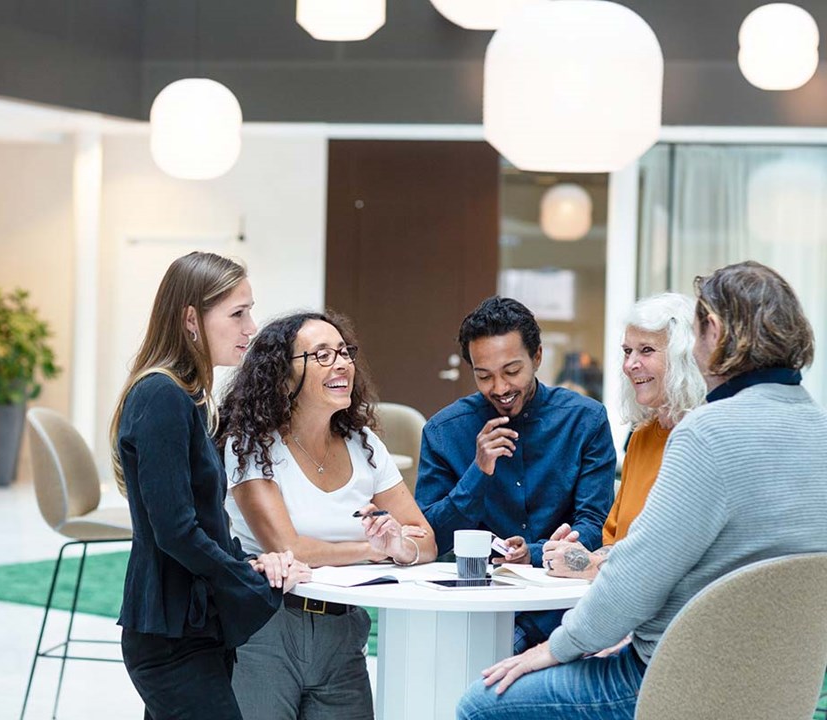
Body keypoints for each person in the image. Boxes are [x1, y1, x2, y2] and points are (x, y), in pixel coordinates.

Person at [457, 260, 827, 720]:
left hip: (677, 675)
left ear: (712, 334)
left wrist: (556, 648)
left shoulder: (707, 433)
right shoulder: (819, 428)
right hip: (783, 685)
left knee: (481, 702)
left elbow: (635, 581)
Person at [109, 252, 311, 720]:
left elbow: (205, 524)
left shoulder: (187, 398)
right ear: (191, 320)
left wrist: (252, 564)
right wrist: (252, 581)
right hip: (171, 637)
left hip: (193, 626)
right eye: (237, 313)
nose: (251, 326)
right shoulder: (161, 396)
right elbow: (176, 532)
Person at [218, 311, 438, 720]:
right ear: (283, 376)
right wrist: (373, 551)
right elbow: (289, 548)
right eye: (321, 355)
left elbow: (425, 539)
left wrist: (400, 547)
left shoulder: (365, 443)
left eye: (343, 352)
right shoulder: (250, 445)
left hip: (344, 628)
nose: (341, 363)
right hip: (266, 626)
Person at [415, 296, 615, 651]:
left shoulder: (585, 420)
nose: (501, 388)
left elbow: (595, 524)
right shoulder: (444, 431)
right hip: (474, 610)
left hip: (563, 608)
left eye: (512, 371)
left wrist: (533, 554)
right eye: (484, 376)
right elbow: (430, 539)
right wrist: (478, 473)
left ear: (537, 357)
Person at [542, 293, 706, 580]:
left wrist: (592, 567)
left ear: (684, 358)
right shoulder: (642, 436)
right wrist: (581, 557)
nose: (630, 364)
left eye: (646, 350)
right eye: (627, 351)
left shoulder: (706, 440)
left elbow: (678, 557)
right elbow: (615, 543)